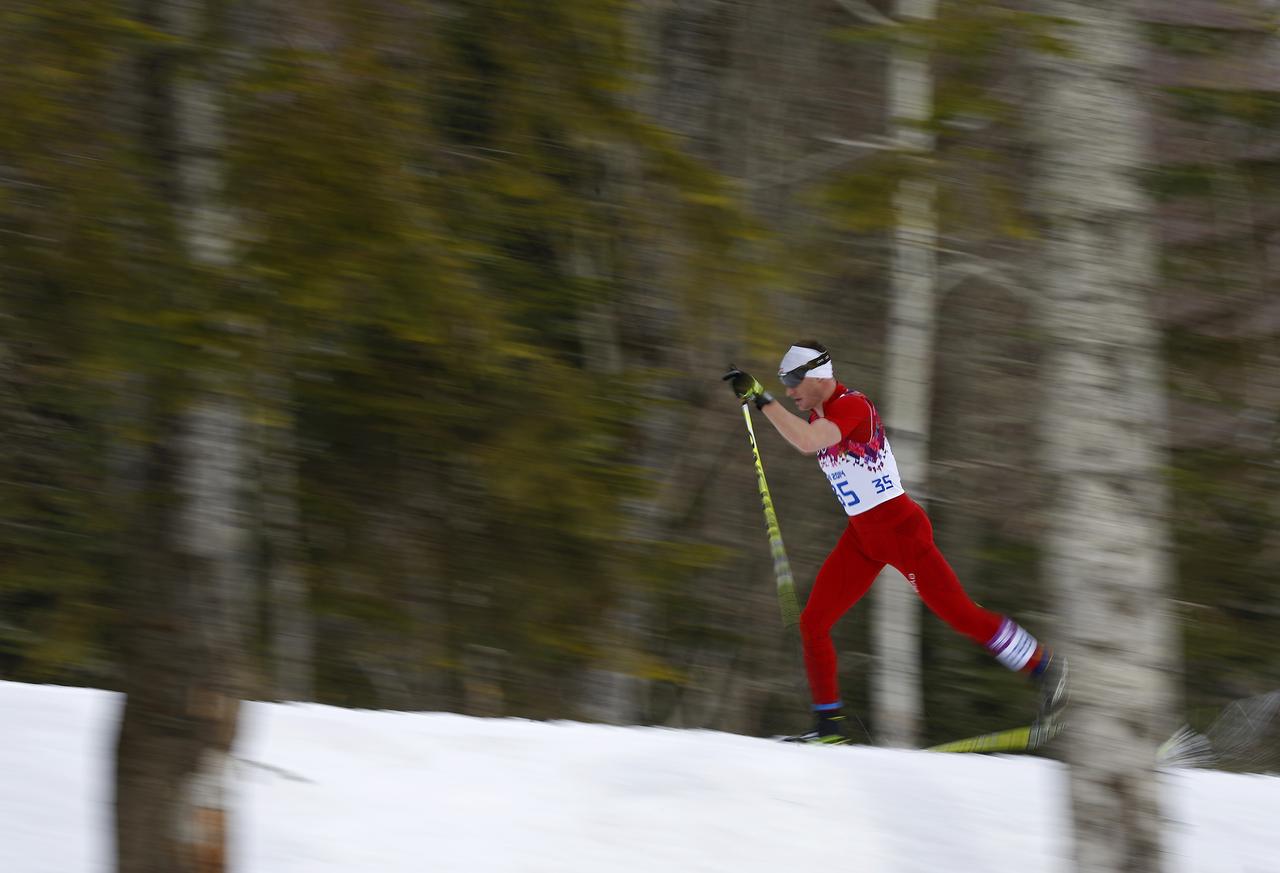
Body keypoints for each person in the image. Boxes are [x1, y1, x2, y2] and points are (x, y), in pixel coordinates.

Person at [724, 341, 1066, 745]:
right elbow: (804, 436)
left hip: (900, 531)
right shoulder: (816, 412)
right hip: (863, 538)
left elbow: (807, 443)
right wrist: (761, 400)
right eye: (784, 383)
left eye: (795, 380)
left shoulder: (851, 406)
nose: (790, 390)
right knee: (813, 623)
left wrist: (761, 399)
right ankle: (828, 728)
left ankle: (1047, 670)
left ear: (820, 375)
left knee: (961, 615)